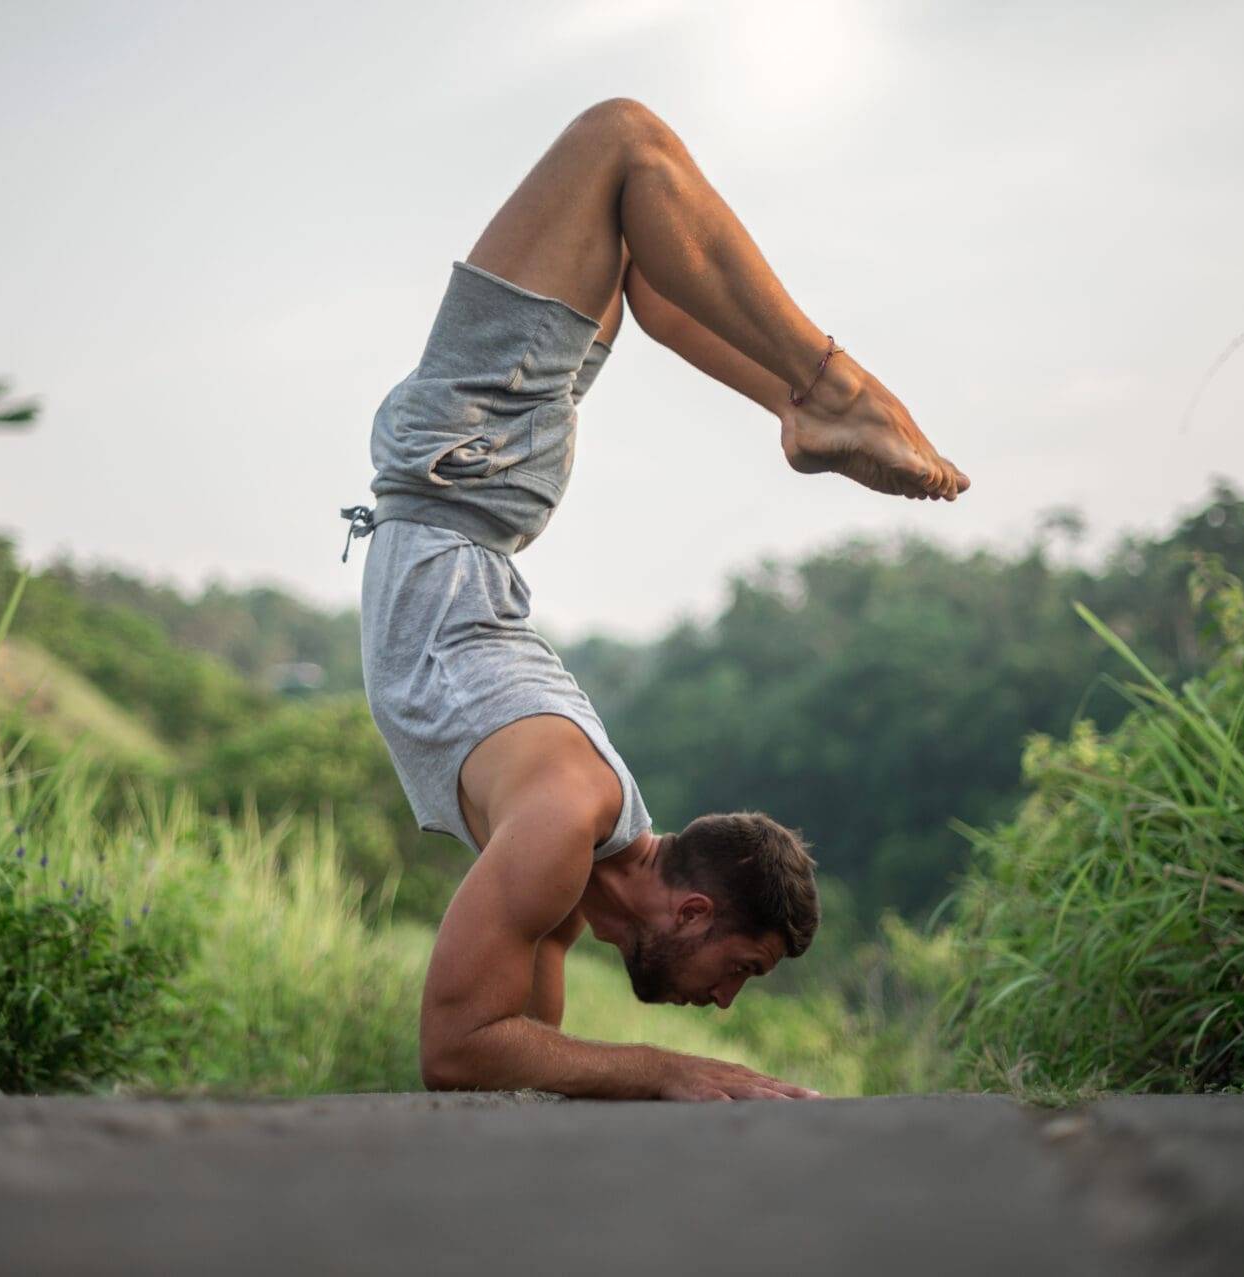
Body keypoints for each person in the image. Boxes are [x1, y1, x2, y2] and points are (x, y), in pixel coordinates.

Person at [343, 98, 968, 1102]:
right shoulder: (563, 817)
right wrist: (676, 1070)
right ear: (690, 912)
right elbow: (452, 1046)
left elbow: (497, 1074)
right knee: (624, 141)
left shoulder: (561, 875)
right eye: (742, 970)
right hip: (464, 477)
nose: (725, 1003)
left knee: (639, 248)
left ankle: (801, 406)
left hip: (476, 490)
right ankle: (824, 390)